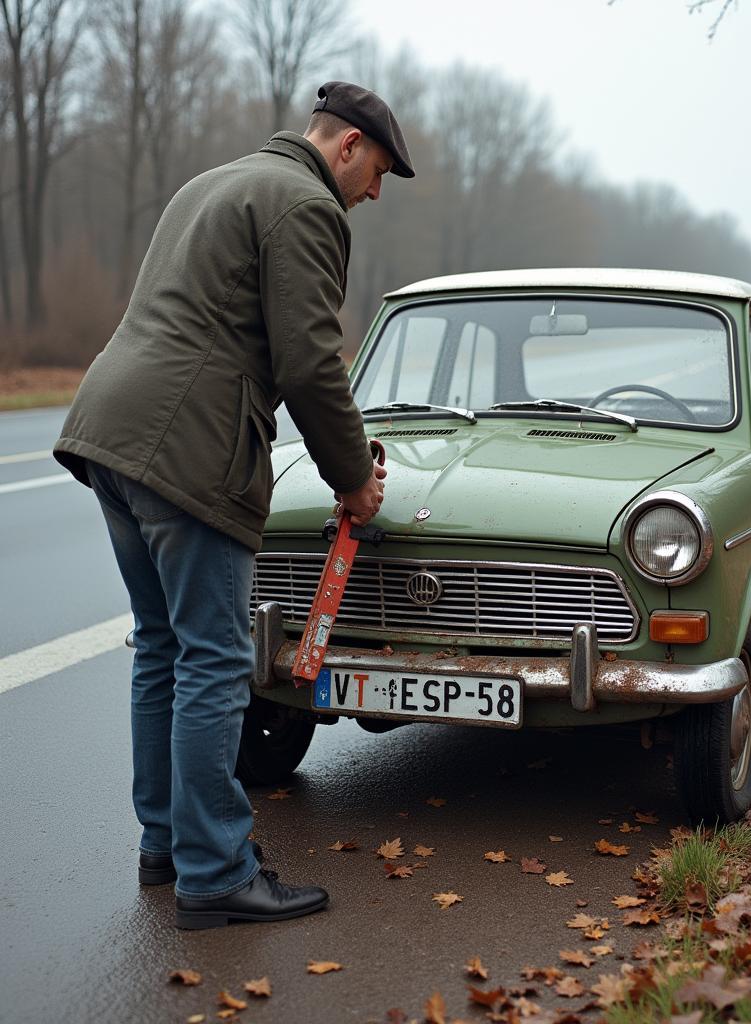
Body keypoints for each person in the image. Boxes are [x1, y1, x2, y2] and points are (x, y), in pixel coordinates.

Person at [53, 82, 414, 930]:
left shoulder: (213, 182)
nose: (373, 195)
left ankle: (168, 846)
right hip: (188, 447)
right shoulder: (305, 205)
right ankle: (215, 873)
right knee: (214, 660)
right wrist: (354, 476)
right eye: (380, 175)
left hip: (110, 428)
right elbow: (311, 364)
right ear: (349, 146)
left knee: (162, 648)